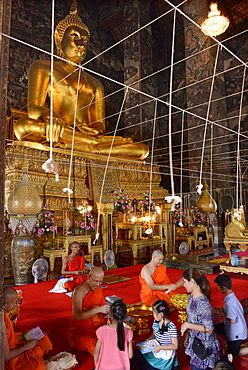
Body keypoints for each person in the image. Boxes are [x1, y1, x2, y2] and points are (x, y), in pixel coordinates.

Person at [14, 2, 149, 161]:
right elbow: (33, 109)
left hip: (80, 136)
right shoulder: (44, 68)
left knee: (142, 150)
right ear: (59, 38)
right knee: (23, 127)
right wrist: (48, 114)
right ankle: (90, 148)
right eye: (74, 37)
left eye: (84, 40)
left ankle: (85, 147)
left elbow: (99, 125)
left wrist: (92, 132)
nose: (81, 45)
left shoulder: (95, 83)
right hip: (58, 130)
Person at [3, 287, 52, 370]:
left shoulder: (3, 313)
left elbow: (7, 337)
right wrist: (26, 347)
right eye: (14, 303)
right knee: (37, 367)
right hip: (6, 357)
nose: (15, 305)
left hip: (10, 344)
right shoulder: (1, 323)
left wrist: (23, 337)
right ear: (4, 305)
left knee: (41, 337)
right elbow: (6, 357)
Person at [181, 268, 220, 370]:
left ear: (192, 281)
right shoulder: (191, 297)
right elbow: (191, 319)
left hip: (203, 344)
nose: (183, 285)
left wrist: (188, 325)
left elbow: (209, 328)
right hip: (195, 341)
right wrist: (188, 335)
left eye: (185, 282)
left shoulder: (203, 303)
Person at [67, 266, 110, 355]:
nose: (97, 284)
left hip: (99, 325)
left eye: (100, 281)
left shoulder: (98, 289)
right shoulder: (79, 291)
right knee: (89, 343)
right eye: (95, 281)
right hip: (82, 329)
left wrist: (109, 311)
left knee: (119, 330)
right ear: (88, 277)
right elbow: (77, 316)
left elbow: (103, 306)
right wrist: (98, 310)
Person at [136, 299, 179, 370]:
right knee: (140, 360)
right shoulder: (156, 322)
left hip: (165, 351)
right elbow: (155, 332)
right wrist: (150, 338)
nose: (153, 315)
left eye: (153, 313)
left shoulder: (171, 327)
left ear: (160, 315)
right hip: (156, 347)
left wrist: (160, 347)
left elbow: (175, 346)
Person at [213, 273, 248, 359]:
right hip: (236, 328)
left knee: (233, 354)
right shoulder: (230, 297)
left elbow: (233, 320)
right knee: (216, 328)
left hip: (236, 333)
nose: (217, 289)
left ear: (223, 288)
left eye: (218, 287)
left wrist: (222, 314)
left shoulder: (230, 303)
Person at [94, 300, 133, 370]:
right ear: (125, 315)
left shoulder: (102, 330)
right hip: (121, 367)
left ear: (110, 315)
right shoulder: (128, 332)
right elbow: (130, 355)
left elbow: (96, 351)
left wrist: (97, 367)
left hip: (104, 367)